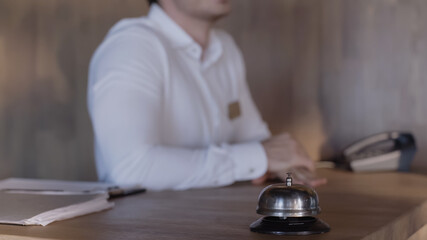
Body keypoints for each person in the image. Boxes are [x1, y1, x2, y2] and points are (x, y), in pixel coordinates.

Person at [87, 0, 326, 190]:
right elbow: (130, 168)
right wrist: (257, 158)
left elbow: (253, 139)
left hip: (211, 220)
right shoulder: (132, 46)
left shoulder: (225, 48)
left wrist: (279, 163)